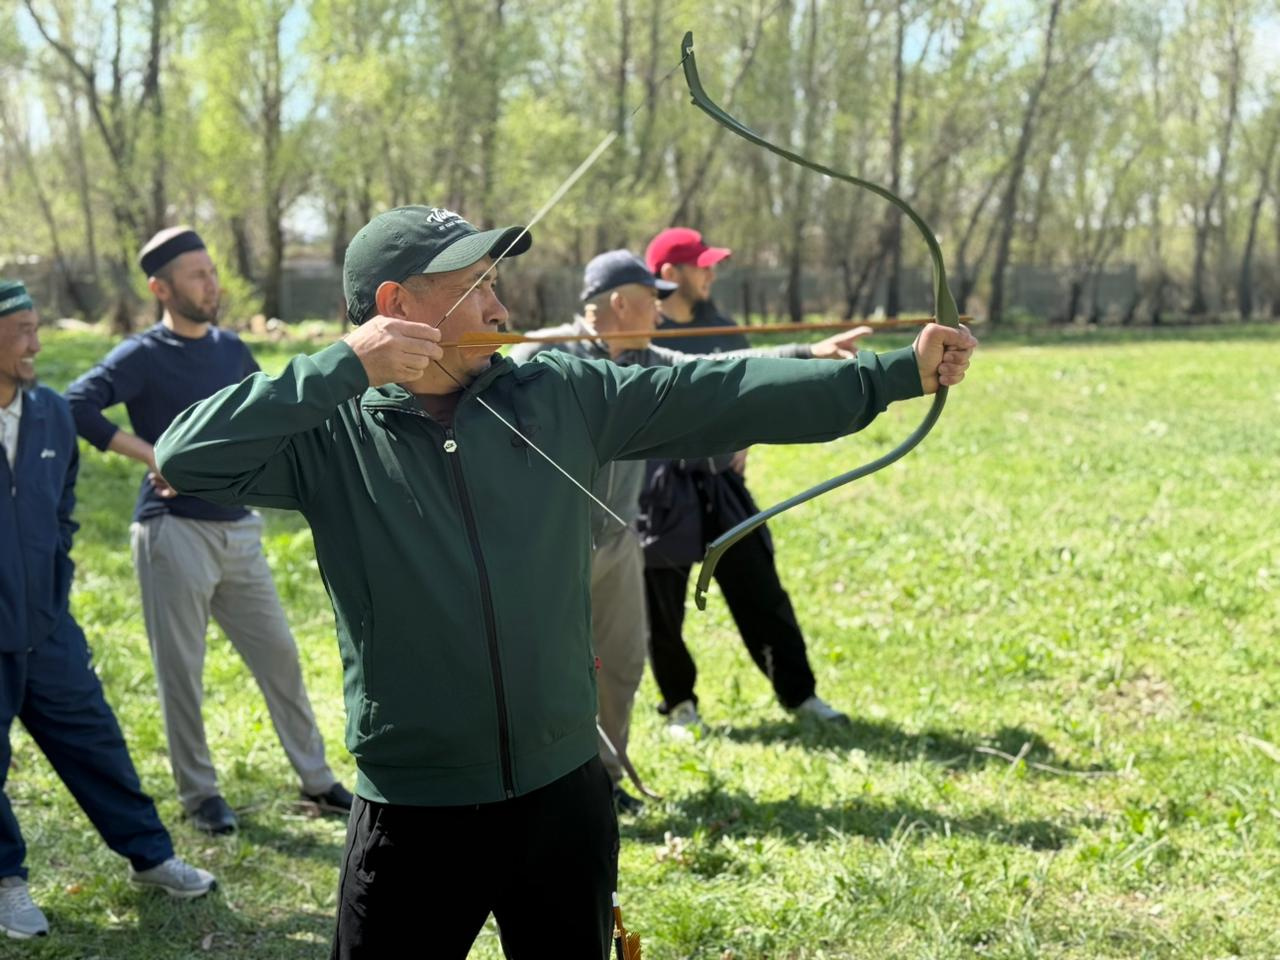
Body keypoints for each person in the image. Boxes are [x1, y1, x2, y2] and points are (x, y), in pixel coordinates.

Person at [151, 205, 976, 959]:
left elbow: (714, 391)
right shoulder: (327, 434)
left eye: (496, 284)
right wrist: (343, 366)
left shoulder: (558, 393)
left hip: (564, 793)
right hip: (413, 807)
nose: (500, 307)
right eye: (476, 286)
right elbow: (185, 457)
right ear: (397, 304)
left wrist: (888, 376)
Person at [510, 250, 872, 807]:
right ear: (620, 303)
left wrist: (807, 354)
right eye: (651, 301)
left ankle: (602, 784)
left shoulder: (647, 359)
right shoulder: (542, 353)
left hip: (617, 543)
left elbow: (723, 372)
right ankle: (533, 790)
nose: (659, 312)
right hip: (546, 551)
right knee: (543, 673)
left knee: (621, 668)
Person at [64, 228, 351, 836]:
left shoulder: (232, 350)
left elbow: (264, 419)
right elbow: (76, 404)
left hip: (239, 532)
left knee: (281, 657)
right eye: (197, 275)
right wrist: (153, 455)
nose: (211, 284)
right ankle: (200, 795)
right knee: (182, 673)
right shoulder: (142, 355)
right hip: (173, 534)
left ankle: (317, 779)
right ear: (160, 288)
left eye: (212, 271)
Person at [0, 280, 215, 940]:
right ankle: (6, 881)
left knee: (96, 740)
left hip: (47, 624)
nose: (37, 344)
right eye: (23, 331)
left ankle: (149, 857)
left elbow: (62, 508)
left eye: (38, 328)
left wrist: (53, 579)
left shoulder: (48, 413)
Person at [639, 226, 857, 734]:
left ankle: (800, 695)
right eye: (702, 266)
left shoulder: (722, 327)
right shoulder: (643, 331)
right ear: (670, 273)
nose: (711, 274)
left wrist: (745, 437)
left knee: (761, 589)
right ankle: (679, 704)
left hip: (720, 480)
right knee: (660, 606)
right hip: (660, 488)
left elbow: (748, 386)